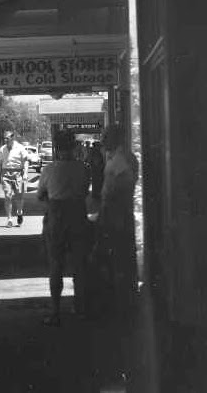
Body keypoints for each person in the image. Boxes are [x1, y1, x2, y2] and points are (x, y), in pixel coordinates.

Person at [36, 132, 91, 326]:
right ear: (73, 148)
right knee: (79, 266)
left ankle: (55, 311)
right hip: (78, 216)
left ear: (57, 149)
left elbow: (40, 195)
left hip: (56, 218)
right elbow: (85, 191)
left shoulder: (49, 169)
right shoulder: (83, 169)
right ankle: (80, 309)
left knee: (55, 265)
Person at [97, 124, 139, 319]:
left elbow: (124, 184)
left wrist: (110, 208)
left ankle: (124, 304)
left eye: (106, 137)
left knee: (120, 257)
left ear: (115, 138)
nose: (102, 140)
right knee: (116, 256)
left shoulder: (122, 159)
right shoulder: (115, 157)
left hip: (117, 214)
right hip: (113, 212)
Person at [0, 130, 29, 227]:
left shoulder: (20, 148)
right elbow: (1, 163)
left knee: (19, 196)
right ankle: (9, 219)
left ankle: (19, 212)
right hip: (6, 174)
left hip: (18, 173)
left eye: (7, 138)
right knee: (8, 196)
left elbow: (26, 161)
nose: (5, 140)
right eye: (4, 138)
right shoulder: (3, 149)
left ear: (12, 138)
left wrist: (25, 173)